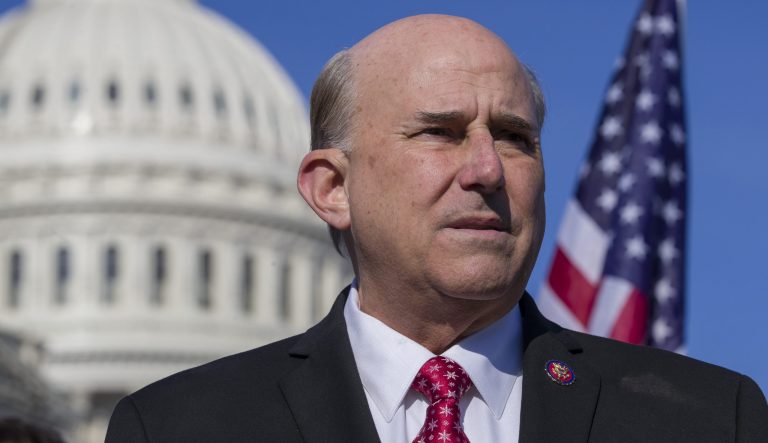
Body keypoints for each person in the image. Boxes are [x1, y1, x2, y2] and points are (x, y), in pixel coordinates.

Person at [105, 14, 767, 442]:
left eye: (513, 137)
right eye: (438, 134)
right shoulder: (180, 426)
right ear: (332, 188)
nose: (485, 168)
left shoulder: (708, 418)